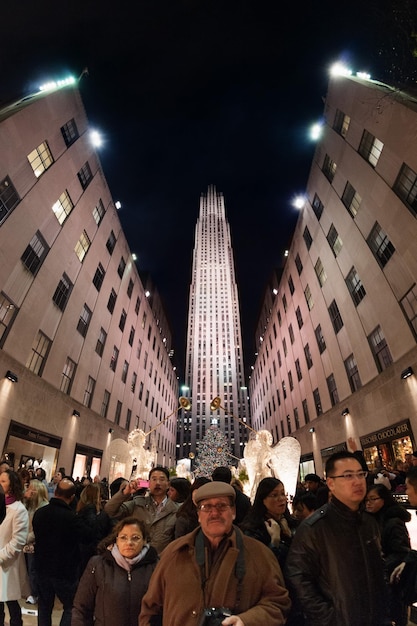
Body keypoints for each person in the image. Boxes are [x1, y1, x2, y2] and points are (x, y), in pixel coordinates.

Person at [139, 481, 291, 625]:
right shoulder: (174, 553)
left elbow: (278, 603)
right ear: (198, 515)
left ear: (233, 512)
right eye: (206, 507)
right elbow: (150, 610)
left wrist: (247, 621)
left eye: (222, 506)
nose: (214, 513)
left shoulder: (259, 554)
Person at [285, 451, 388, 626]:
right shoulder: (314, 528)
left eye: (360, 474)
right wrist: (328, 618)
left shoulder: (368, 522)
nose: (357, 481)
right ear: (331, 483)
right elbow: (298, 578)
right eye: (348, 476)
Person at [72, 517, 158, 626]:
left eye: (135, 538)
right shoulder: (98, 565)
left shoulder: (156, 567)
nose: (129, 542)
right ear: (116, 540)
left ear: (144, 541)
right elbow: (81, 608)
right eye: (123, 537)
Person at [33, 478, 93, 626]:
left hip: (41, 567)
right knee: (70, 606)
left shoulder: (40, 513)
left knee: (44, 606)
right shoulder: (72, 518)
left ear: (56, 492)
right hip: (64, 571)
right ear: (72, 497)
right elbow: (88, 536)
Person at [365, 483, 411, 626]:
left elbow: (402, 552)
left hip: (392, 583)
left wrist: (380, 565)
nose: (368, 503)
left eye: (373, 499)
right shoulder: (372, 520)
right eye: (367, 499)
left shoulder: (393, 522)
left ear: (383, 500)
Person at [104, 466, 177, 554]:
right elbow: (109, 510)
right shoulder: (137, 503)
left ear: (168, 484)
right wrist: (125, 493)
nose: (157, 483)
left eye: (162, 479)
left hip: (162, 562)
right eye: (154, 479)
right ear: (148, 483)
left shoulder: (176, 510)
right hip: (138, 560)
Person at [240, 477, 292, 570]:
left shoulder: (290, 522)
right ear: (263, 500)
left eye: (283, 493)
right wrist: (274, 542)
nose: (281, 499)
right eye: (274, 495)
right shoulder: (253, 530)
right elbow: (259, 566)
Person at [0, 469, 29, 626]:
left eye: (3, 481)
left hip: (7, 564)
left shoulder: (19, 509)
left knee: (11, 602)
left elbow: (18, 541)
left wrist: (1, 556)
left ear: (12, 486)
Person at [76, 483, 112, 574]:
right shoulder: (94, 513)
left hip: (81, 551)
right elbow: (95, 530)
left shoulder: (81, 511)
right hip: (91, 551)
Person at [23, 478, 49, 605]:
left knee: (33, 569)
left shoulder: (43, 507)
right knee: (28, 568)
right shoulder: (30, 505)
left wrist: (26, 538)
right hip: (27, 540)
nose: (28, 491)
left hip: (35, 543)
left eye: (30, 488)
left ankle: (35, 593)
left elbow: (39, 529)